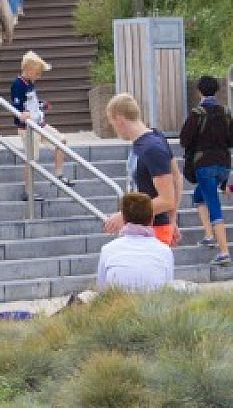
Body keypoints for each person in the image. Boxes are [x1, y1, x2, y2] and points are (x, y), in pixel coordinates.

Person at [104, 93, 183, 247]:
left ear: (119, 120)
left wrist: (125, 215)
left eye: (112, 123)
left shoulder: (151, 148)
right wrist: (172, 220)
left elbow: (167, 199)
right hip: (148, 228)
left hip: (152, 231)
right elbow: (176, 178)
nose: (114, 129)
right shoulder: (155, 138)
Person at [180, 76, 233, 265]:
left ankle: (224, 252)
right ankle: (209, 235)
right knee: (199, 196)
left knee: (214, 205)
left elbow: (184, 140)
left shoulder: (197, 114)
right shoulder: (226, 112)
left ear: (199, 91)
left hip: (205, 166)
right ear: (217, 91)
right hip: (224, 166)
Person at [10, 51, 73, 201]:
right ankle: (28, 191)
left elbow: (31, 103)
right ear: (29, 70)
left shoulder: (30, 84)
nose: (39, 77)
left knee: (61, 141)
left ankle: (58, 175)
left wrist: (41, 105)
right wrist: (24, 115)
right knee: (31, 159)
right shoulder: (18, 85)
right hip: (28, 128)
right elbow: (18, 107)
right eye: (37, 73)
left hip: (39, 123)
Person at [97, 192, 174, 291]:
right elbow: (167, 287)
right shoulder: (164, 250)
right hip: (153, 302)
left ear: (123, 219)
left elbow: (102, 288)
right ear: (152, 218)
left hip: (118, 303)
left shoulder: (108, 249)